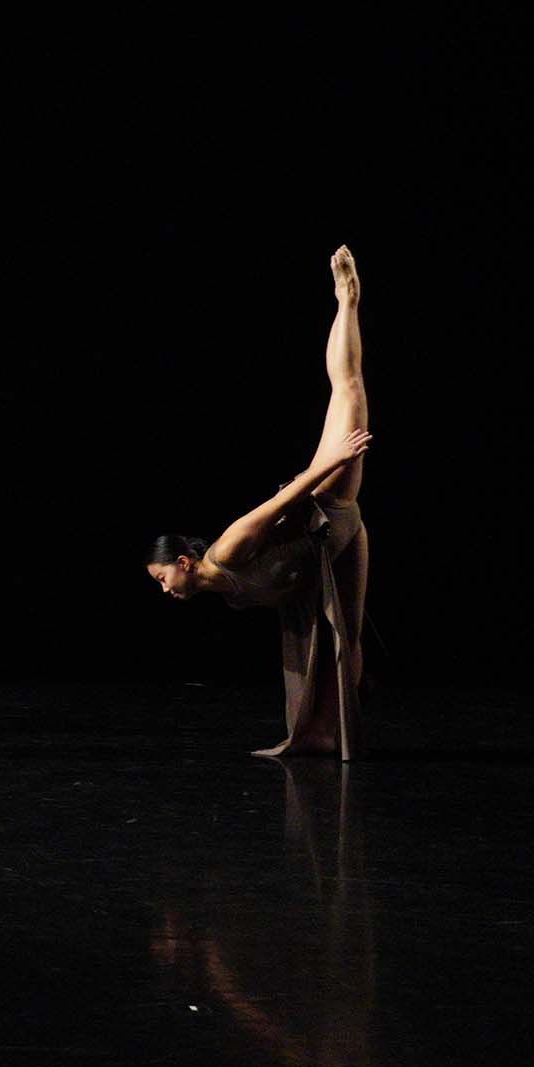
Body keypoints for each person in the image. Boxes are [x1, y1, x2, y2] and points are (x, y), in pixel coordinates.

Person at [145, 246, 374, 759]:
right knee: (348, 638)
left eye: (162, 578)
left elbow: (284, 500)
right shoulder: (229, 594)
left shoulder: (227, 549)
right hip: (335, 546)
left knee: (348, 387)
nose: (165, 589)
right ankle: (327, 732)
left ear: (183, 562)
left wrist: (332, 460)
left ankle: (347, 297)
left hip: (327, 502)